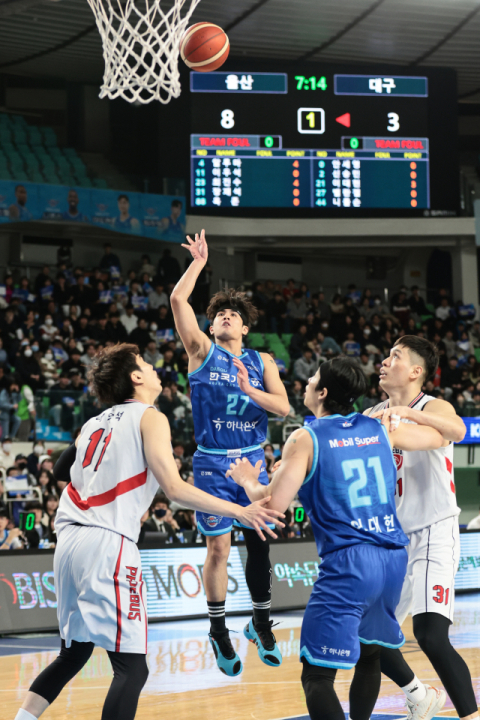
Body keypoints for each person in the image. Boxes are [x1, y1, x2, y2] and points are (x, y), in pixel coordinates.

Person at [13, 343, 282, 720]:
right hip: (107, 543)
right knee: (132, 669)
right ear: (136, 378)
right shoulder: (151, 417)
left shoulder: (94, 421)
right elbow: (174, 490)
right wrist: (241, 510)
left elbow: (60, 470)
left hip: (68, 542)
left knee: (73, 653)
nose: (155, 369)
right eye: (145, 364)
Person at [226, 357, 445, 720]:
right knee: (370, 652)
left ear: (323, 392)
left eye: (312, 378)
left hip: (349, 562)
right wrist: (412, 416)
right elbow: (441, 436)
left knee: (316, 676)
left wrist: (247, 479)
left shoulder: (306, 437)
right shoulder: (378, 427)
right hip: (392, 557)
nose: (307, 383)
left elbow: (272, 505)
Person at [170, 229, 290, 677]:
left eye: (231, 314)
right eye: (218, 312)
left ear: (244, 327)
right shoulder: (201, 351)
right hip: (211, 461)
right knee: (219, 548)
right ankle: (219, 630)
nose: (224, 315)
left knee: (260, 545)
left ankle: (260, 623)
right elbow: (179, 305)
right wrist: (198, 263)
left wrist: (248, 390)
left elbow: (283, 407)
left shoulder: (263, 362)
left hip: (253, 458)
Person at [360, 335, 478, 720]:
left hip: (433, 533)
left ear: (415, 371)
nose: (383, 361)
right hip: (392, 543)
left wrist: (409, 416)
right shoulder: (372, 413)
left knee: (430, 636)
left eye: (394, 356)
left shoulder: (433, 406)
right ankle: (417, 694)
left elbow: (456, 432)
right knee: (369, 642)